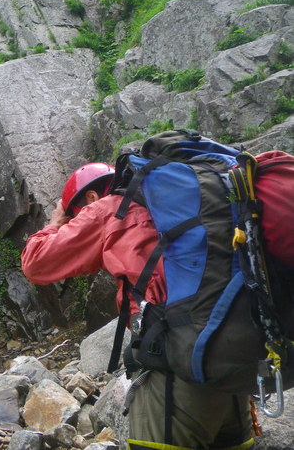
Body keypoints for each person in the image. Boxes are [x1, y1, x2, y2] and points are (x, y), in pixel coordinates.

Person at [21, 163, 255, 450]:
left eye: (73, 215)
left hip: (177, 364)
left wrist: (56, 223)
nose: (72, 222)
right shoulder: (179, 204)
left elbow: (36, 263)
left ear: (92, 197)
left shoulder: (109, 209)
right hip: (236, 361)